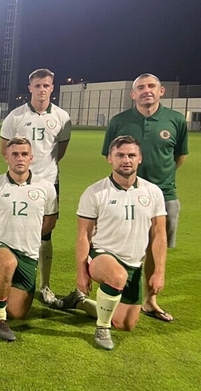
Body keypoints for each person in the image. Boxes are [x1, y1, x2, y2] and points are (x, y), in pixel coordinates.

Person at [55, 136, 166, 350]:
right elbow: (83, 236)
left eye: (131, 155)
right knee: (117, 276)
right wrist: (81, 272)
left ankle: (79, 302)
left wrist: (159, 271)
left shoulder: (153, 192)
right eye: (120, 155)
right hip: (101, 256)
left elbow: (159, 235)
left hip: (134, 263)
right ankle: (102, 328)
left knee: (125, 324)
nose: (126, 160)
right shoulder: (95, 192)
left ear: (140, 158)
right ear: (110, 159)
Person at [100, 73, 187, 322]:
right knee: (118, 243)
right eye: (141, 87)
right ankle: (115, 293)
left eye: (151, 86)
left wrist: (157, 185)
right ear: (133, 94)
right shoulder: (119, 121)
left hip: (165, 194)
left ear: (161, 91)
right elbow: (110, 154)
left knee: (156, 248)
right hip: (125, 194)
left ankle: (150, 300)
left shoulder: (175, 120)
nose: (146, 90)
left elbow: (179, 156)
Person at [0, 137, 58, 342]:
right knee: (7, 263)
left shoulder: (46, 187)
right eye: (15, 154)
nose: (20, 158)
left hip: (28, 253)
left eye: (24, 154)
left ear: (31, 157)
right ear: (6, 157)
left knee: (18, 312)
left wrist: (30, 236)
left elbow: (51, 221)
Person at [0, 68, 70, 305]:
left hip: (48, 183)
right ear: (29, 88)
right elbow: (5, 151)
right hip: (18, 184)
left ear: (52, 87)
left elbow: (59, 151)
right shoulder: (15, 117)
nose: (42, 90)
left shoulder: (62, 117)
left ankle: (45, 285)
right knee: (14, 230)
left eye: (46, 85)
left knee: (45, 235)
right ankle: (8, 278)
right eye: (37, 85)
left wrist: (41, 175)